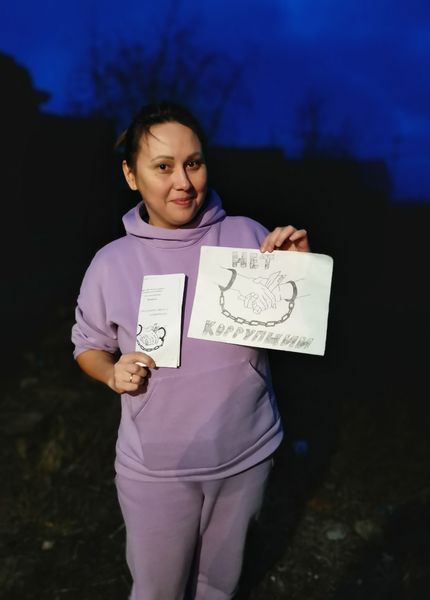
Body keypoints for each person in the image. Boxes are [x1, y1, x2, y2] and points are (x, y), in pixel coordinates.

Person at [71, 101, 309, 600]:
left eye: (193, 163)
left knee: (219, 585)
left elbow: (294, 330)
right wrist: (111, 372)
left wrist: (299, 275)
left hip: (246, 455)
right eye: (163, 166)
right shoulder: (111, 263)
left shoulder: (247, 235)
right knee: (158, 589)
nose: (183, 182)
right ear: (131, 175)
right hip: (157, 468)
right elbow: (88, 345)